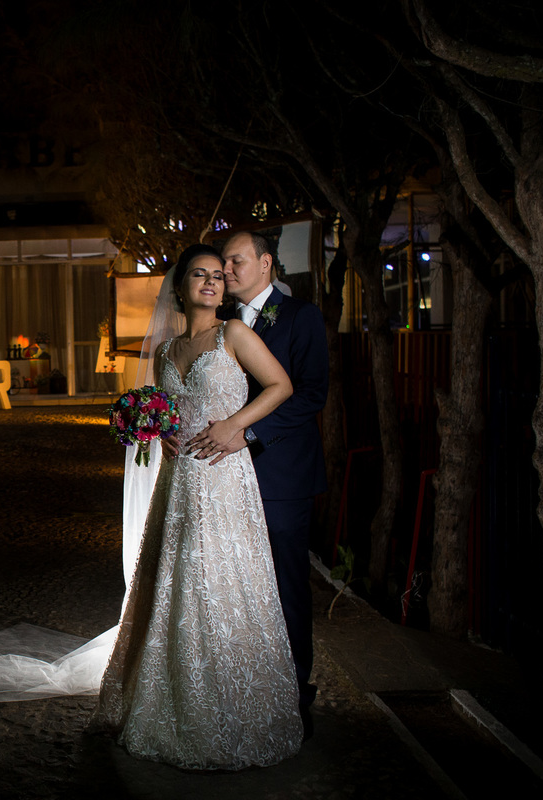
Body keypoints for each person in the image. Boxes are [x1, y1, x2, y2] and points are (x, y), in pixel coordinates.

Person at [89, 243, 302, 770]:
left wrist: (237, 426)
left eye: (217, 275)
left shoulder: (235, 335)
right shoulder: (165, 352)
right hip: (179, 485)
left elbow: (282, 385)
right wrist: (157, 433)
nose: (211, 281)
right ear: (180, 287)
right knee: (177, 584)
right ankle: (173, 703)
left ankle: (234, 709)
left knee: (220, 582)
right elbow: (168, 411)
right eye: (199, 275)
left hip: (225, 480)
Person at [186, 230, 329, 734]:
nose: (226, 269)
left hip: (280, 474)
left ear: (266, 263)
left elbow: (311, 394)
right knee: (235, 588)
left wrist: (250, 432)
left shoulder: (299, 317)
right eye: (222, 261)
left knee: (285, 586)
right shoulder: (221, 327)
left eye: (235, 260)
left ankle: (294, 693)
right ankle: (243, 686)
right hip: (222, 479)